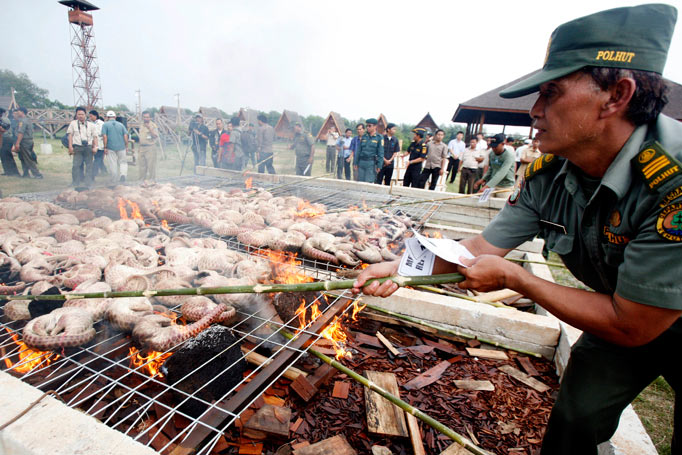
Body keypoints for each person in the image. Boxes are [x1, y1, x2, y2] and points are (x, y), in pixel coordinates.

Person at [354, 5, 680, 455]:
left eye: (551, 92)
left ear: (616, 95)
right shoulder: (552, 172)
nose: (535, 111)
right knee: (576, 416)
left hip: (637, 317)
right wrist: (400, 266)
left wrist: (518, 279)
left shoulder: (673, 181)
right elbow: (480, 246)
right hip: (622, 314)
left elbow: (636, 324)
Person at [473, 133, 515, 197]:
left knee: (502, 205)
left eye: (495, 147)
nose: (493, 149)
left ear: (502, 144)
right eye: (492, 146)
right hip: (492, 185)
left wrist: (486, 186)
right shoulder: (492, 154)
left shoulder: (509, 156)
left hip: (505, 187)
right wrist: (482, 180)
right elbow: (491, 168)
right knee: (483, 202)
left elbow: (502, 172)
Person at [67, 106, 98, 187]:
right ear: (76, 115)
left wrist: (95, 147)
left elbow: (95, 137)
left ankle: (88, 182)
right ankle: (75, 182)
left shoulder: (91, 125)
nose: (81, 116)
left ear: (85, 115)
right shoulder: (73, 124)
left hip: (88, 147)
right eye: (79, 114)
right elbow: (70, 135)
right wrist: (70, 147)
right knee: (76, 165)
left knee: (89, 165)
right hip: (77, 147)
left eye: (82, 114)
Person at [11, 107, 42, 179]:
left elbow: (21, 133)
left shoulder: (23, 121)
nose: (17, 113)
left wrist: (17, 143)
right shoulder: (26, 120)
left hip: (24, 141)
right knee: (22, 158)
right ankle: (26, 173)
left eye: (18, 111)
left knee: (28, 158)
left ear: (22, 112)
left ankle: (37, 174)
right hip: (27, 141)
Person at [101, 110, 129, 183]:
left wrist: (105, 147)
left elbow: (104, 136)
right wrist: (126, 145)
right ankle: (123, 175)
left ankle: (114, 179)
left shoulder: (105, 125)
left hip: (111, 147)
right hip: (121, 147)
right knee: (123, 162)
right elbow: (125, 135)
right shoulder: (121, 125)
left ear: (107, 117)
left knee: (112, 163)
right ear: (115, 117)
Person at [354, 118, 383, 183]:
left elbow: (381, 153)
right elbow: (358, 150)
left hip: (371, 163)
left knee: (368, 182)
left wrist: (379, 165)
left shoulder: (379, 137)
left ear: (375, 126)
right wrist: (355, 162)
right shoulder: (364, 137)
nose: (367, 127)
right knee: (360, 182)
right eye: (367, 126)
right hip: (361, 162)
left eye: (369, 126)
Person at [138, 111, 159, 183]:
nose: (146, 118)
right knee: (142, 166)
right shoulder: (141, 125)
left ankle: (152, 181)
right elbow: (141, 137)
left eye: (147, 117)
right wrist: (139, 148)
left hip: (150, 147)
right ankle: (142, 181)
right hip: (142, 147)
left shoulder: (153, 125)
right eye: (144, 117)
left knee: (151, 166)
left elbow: (155, 136)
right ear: (142, 117)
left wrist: (150, 129)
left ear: (150, 117)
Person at [0, 109, 20, 176]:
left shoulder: (4, 120)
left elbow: (5, 129)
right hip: (3, 138)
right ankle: (7, 171)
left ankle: (14, 172)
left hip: (6, 138)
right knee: (3, 156)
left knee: (8, 155)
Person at [88, 110, 106, 177]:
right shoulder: (91, 123)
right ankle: (103, 170)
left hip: (100, 144)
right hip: (94, 144)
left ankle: (94, 174)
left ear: (95, 116)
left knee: (97, 159)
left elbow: (102, 134)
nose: (90, 118)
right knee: (98, 159)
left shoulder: (101, 123)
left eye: (91, 116)